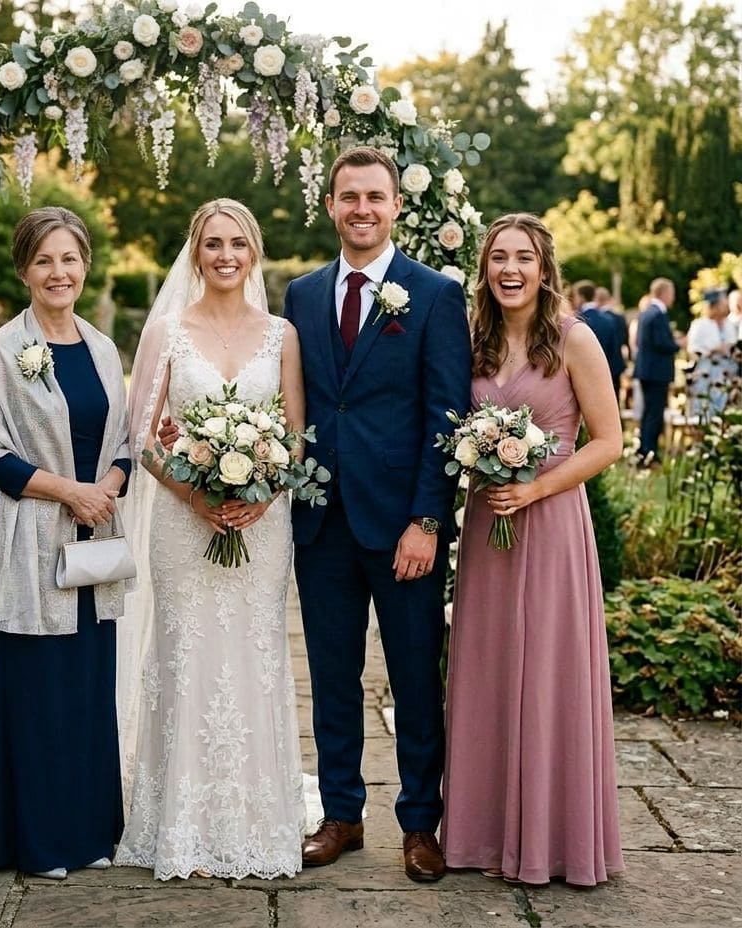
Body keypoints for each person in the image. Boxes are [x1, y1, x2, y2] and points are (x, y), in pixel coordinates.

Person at [282, 146, 471, 882]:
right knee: (331, 676)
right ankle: (341, 815)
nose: (362, 209)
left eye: (375, 197)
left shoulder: (432, 294)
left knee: (415, 680)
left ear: (396, 206)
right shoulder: (300, 294)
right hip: (322, 520)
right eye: (348, 196)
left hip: (402, 528)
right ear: (330, 205)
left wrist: (427, 520)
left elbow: (447, 415)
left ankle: (421, 824)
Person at [113, 199, 306, 881]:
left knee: (254, 659)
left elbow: (295, 435)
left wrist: (262, 492)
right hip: (181, 520)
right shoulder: (166, 330)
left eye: (238, 244)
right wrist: (196, 492)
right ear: (195, 252)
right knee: (187, 656)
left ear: (254, 252)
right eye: (212, 244)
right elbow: (141, 437)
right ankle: (181, 828)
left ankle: (256, 822)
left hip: (261, 525)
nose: (225, 256)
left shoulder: (282, 333)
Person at [442, 213, 624, 886]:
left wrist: (537, 488)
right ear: (484, 270)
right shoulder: (475, 342)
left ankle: (555, 843)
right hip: (490, 531)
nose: (510, 269)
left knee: (549, 671)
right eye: (498, 258)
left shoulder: (574, 341)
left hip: (551, 529)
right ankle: (482, 837)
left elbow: (608, 441)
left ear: (546, 270)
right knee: (488, 667)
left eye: (523, 257)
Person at [0, 206, 131, 881]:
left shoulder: (101, 346)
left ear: (84, 265)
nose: (58, 273)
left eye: (68, 259)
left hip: (96, 541)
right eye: (44, 262)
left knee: (89, 691)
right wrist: (70, 492)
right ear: (24, 270)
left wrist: (110, 485)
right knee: (39, 693)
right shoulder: (4, 350)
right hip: (36, 539)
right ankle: (35, 843)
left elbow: (124, 440)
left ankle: (90, 834)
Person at [632, 277, 685, 465]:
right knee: (654, 413)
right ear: (664, 293)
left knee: (649, 412)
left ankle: (644, 449)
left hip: (646, 370)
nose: (673, 298)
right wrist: (678, 344)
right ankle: (649, 451)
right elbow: (662, 343)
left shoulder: (646, 312)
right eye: (672, 293)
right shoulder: (658, 314)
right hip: (656, 372)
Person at [685, 288, 734, 422]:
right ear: (715, 305)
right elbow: (692, 349)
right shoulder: (699, 325)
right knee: (705, 412)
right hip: (706, 375)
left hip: (726, 374)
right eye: (723, 303)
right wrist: (712, 350)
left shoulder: (729, 325)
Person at [574, 280, 621, 393]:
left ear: (580, 297)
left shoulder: (576, 320)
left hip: (583, 376)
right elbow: (614, 349)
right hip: (609, 372)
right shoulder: (609, 319)